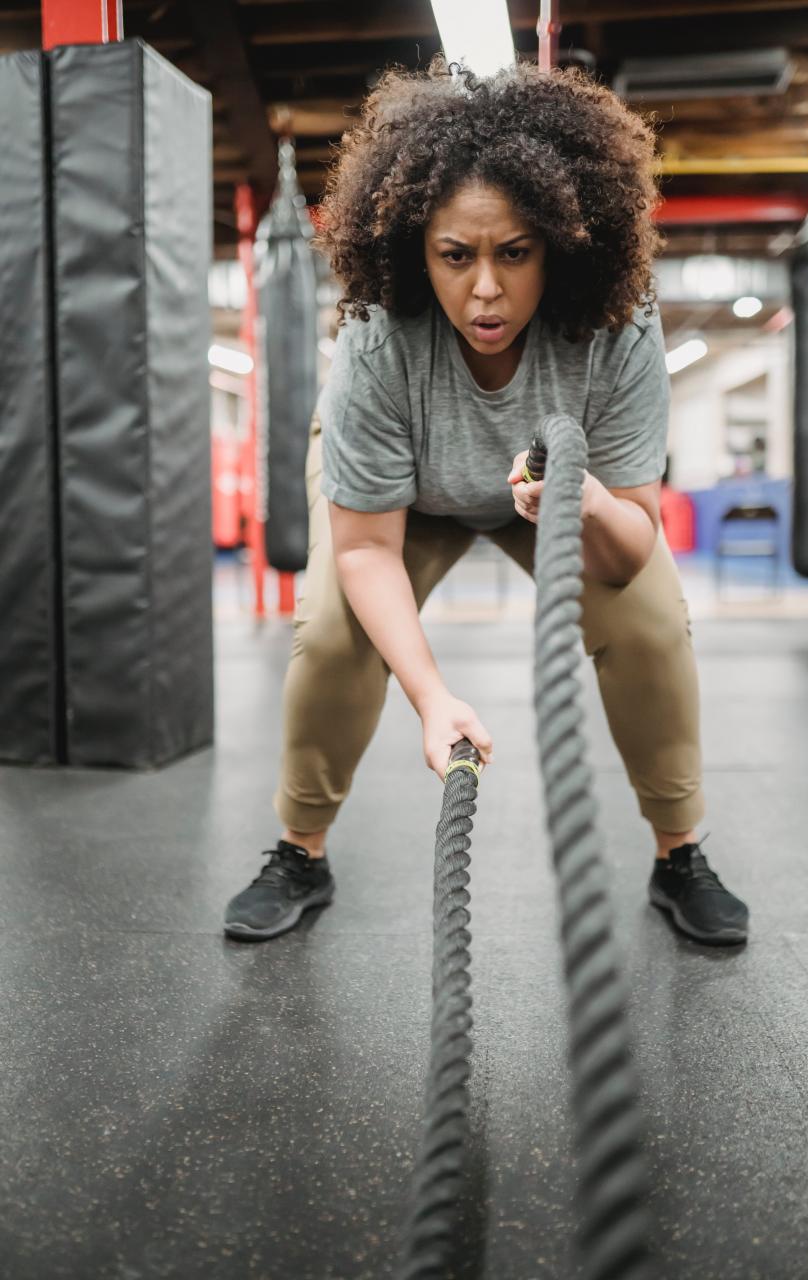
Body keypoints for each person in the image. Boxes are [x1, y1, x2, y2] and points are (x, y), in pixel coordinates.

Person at [224, 60, 749, 947]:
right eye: (454, 256)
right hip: (403, 505)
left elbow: (631, 547)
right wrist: (432, 700)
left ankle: (679, 854)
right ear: (414, 249)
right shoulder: (377, 331)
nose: (485, 291)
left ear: (560, 242)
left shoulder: (617, 324)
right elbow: (362, 551)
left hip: (553, 499)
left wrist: (578, 507)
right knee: (333, 634)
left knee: (652, 620)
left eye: (514, 252)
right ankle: (300, 852)